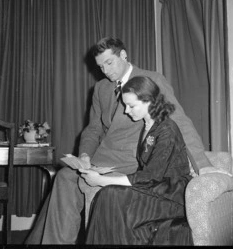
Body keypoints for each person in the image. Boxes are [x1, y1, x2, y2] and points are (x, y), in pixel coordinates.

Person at [24, 37, 220, 244]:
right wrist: (85, 155)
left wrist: (203, 165)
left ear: (124, 55)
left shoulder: (151, 79)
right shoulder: (101, 88)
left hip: (131, 164)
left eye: (109, 63)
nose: (106, 71)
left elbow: (180, 122)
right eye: (100, 67)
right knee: (64, 177)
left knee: (64, 180)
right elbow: (93, 129)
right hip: (102, 160)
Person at [81, 76, 193, 245]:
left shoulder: (167, 129)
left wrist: (102, 180)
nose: (126, 111)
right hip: (156, 189)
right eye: (125, 105)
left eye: (131, 105)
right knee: (108, 195)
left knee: (110, 193)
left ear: (148, 101)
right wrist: (104, 176)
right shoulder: (148, 126)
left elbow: (151, 175)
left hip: (172, 196)